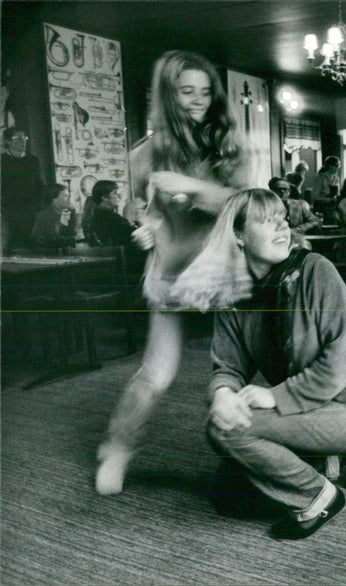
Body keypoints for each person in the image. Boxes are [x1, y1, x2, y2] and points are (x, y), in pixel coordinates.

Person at [94, 50, 252, 495]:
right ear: (169, 95)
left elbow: (246, 205)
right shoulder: (144, 154)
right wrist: (147, 228)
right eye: (187, 92)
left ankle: (282, 450)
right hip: (172, 268)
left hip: (226, 268)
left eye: (205, 91)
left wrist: (193, 188)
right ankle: (118, 448)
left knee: (257, 367)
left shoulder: (227, 144)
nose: (199, 100)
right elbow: (142, 212)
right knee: (155, 374)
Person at [203, 188, 346, 540]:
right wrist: (223, 392)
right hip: (305, 409)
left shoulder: (316, 270)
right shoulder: (232, 292)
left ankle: (317, 496)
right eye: (266, 221)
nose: (282, 228)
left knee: (228, 436)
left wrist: (277, 397)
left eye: (282, 219)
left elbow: (342, 360)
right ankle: (327, 460)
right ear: (238, 236)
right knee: (226, 493)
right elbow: (227, 366)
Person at [2, 127, 44, 246]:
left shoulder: (32, 160)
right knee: (11, 245)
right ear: (8, 141)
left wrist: (38, 205)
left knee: (30, 244)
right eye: (19, 138)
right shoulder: (2, 161)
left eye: (25, 138)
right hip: (8, 212)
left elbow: (39, 184)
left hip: (30, 211)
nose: (24, 141)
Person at [87, 180, 136, 246]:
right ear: (104, 197)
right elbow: (134, 235)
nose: (119, 197)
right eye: (115, 193)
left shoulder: (95, 215)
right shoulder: (111, 218)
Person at [310, 155, 341, 223]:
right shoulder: (320, 178)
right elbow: (314, 196)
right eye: (336, 166)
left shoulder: (336, 178)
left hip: (332, 207)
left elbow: (337, 193)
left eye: (339, 166)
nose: (338, 168)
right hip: (321, 207)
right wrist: (327, 199)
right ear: (330, 166)